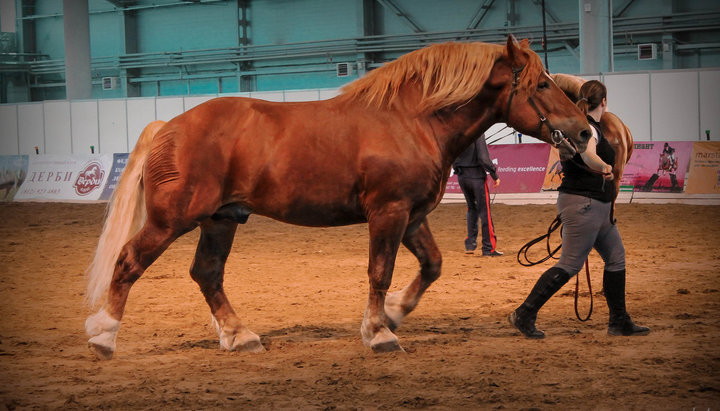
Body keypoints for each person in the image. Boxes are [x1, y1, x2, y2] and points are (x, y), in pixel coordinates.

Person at [508, 80, 649, 338]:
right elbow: (589, 155)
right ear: (604, 102)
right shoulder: (588, 130)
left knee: (616, 258)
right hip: (584, 204)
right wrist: (604, 167)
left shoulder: (586, 127)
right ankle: (524, 313)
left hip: (598, 207)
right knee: (570, 264)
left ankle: (619, 320)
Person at [453, 135, 503, 256]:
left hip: (462, 176)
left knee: (471, 208)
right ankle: (488, 248)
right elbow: (483, 158)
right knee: (485, 212)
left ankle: (470, 244)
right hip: (476, 177)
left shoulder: (459, 131)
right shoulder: (478, 133)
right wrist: (494, 174)